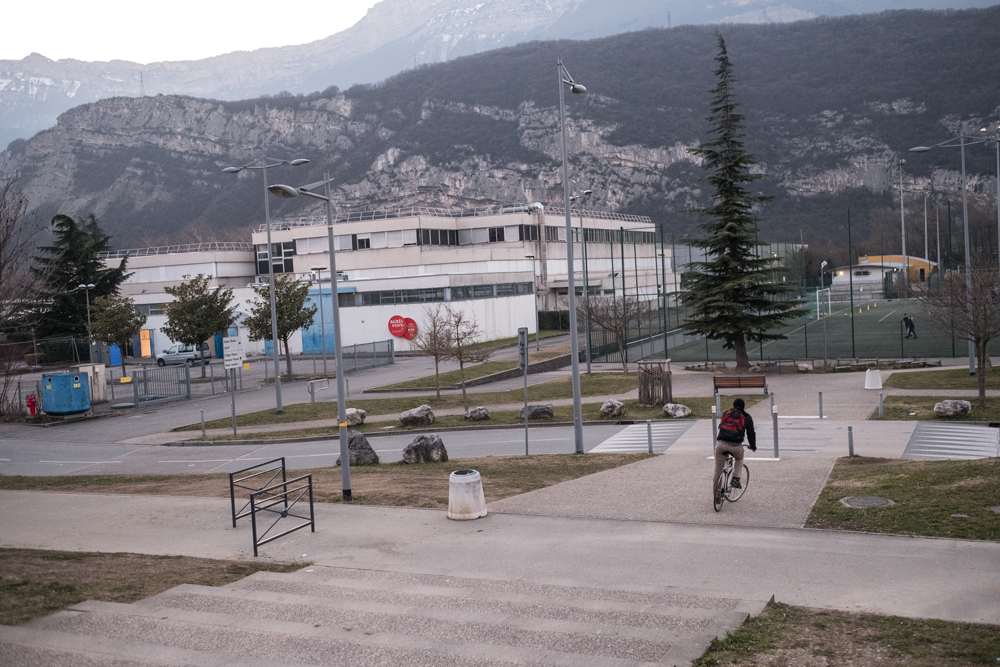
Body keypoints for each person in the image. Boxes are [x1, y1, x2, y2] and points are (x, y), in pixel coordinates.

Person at [714, 398, 756, 494]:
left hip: (721, 444)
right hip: (736, 446)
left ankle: (716, 497)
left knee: (718, 469)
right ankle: (736, 478)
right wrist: (753, 446)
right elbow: (751, 433)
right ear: (744, 407)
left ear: (733, 406)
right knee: (739, 458)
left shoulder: (726, 413)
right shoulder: (746, 417)